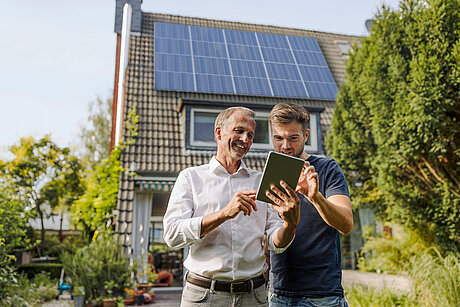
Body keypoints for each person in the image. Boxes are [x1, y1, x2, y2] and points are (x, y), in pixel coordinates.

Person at [163, 106, 300, 307]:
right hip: (203, 297)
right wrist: (224, 214)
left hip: (254, 296)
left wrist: (290, 224)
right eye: (239, 131)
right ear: (219, 132)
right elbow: (172, 235)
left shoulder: (262, 181)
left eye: (251, 135)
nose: (245, 139)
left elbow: (275, 243)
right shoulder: (191, 177)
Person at [266, 103, 353, 307]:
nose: (285, 145)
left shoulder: (327, 168)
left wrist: (314, 197)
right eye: (278, 138)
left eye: (293, 138)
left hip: (322, 295)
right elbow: (267, 238)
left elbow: (346, 224)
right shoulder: (270, 175)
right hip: (278, 294)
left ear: (306, 135)